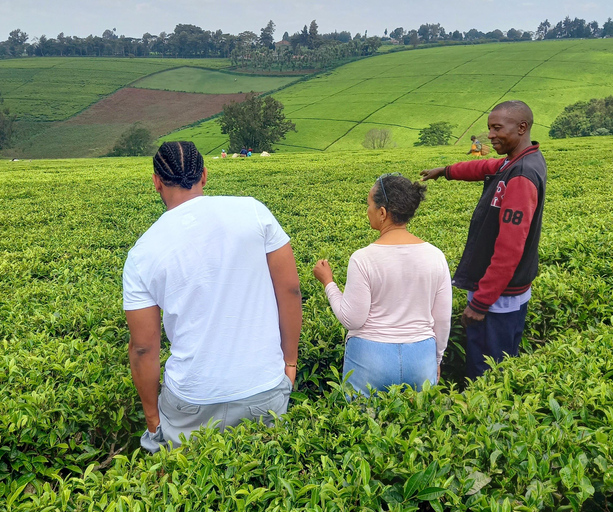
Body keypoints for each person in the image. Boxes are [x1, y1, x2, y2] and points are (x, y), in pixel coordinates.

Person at [123, 141, 302, 452]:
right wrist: (289, 363)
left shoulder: (142, 253)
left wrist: (154, 421)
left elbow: (142, 348)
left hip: (191, 400)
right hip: (263, 388)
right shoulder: (254, 211)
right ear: (204, 175)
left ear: (156, 182)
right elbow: (290, 290)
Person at [420, 100, 547, 380]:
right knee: (489, 360)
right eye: (490, 128)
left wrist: (480, 303)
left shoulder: (522, 175)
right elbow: (485, 167)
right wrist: (446, 171)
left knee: (488, 368)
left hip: (499, 298)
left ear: (522, 127)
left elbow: (509, 249)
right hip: (498, 293)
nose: (490, 135)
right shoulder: (515, 161)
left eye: (497, 128)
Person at [312, 174, 452, 396]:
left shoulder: (363, 258)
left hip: (370, 358)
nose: (367, 210)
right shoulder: (436, 256)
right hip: (421, 355)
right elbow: (442, 319)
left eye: (369, 205)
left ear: (383, 213)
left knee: (361, 423)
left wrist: (328, 282)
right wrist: (436, 359)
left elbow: (352, 319)